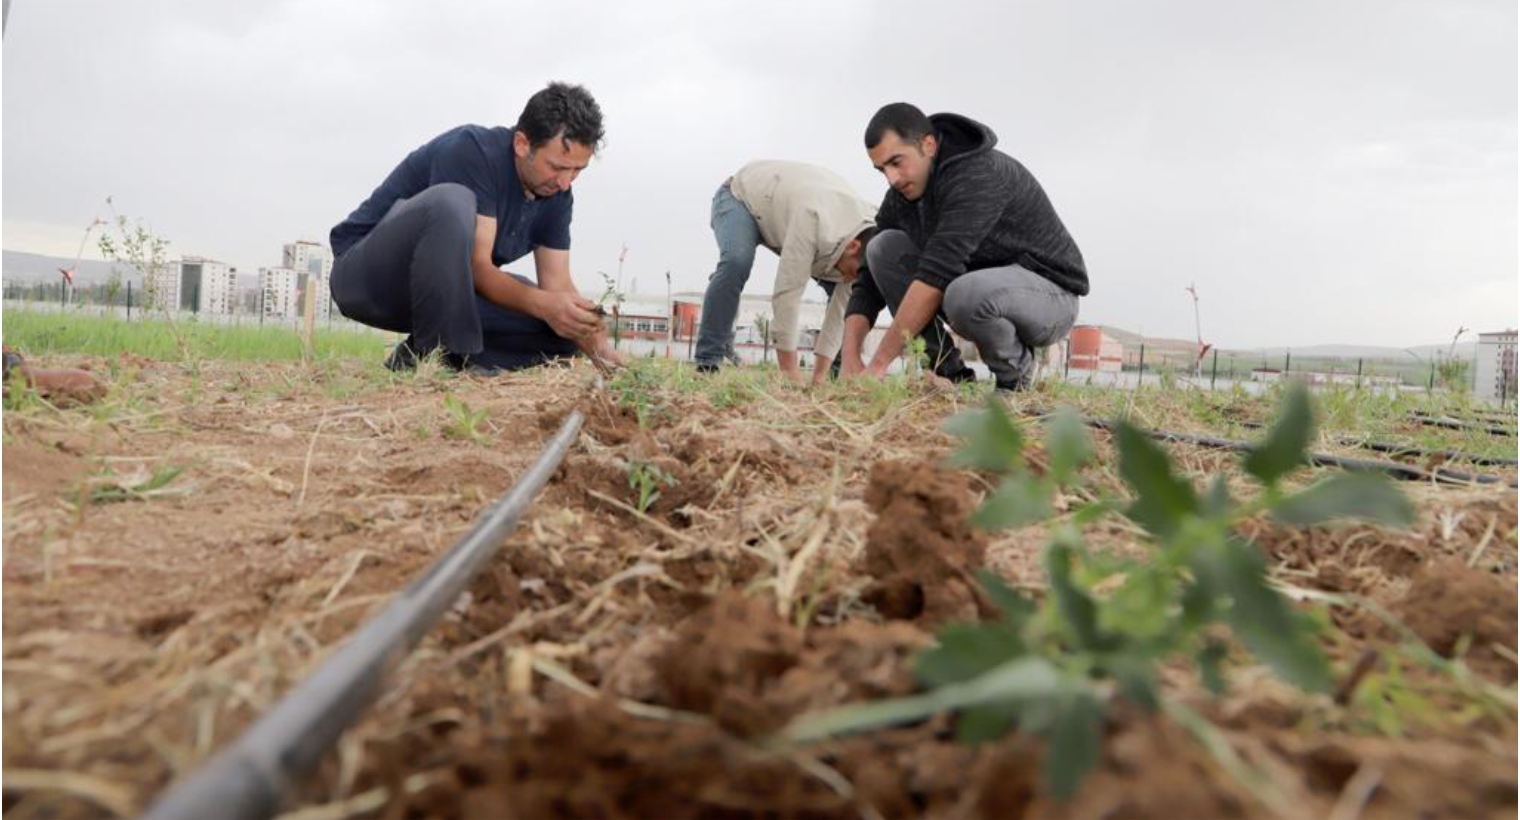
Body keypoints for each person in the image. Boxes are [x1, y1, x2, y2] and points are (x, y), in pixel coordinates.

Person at [329, 82, 623, 374]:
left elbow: (557, 284)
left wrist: (599, 346)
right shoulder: (472, 151)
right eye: (557, 167)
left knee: (562, 330)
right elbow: (478, 267)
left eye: (577, 171)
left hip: (444, 296)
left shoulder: (557, 194)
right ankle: (442, 357)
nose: (565, 182)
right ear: (522, 144)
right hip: (369, 278)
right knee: (451, 202)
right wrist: (543, 304)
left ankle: (419, 355)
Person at [841, 103, 1089, 391]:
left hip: (1050, 296)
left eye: (897, 162)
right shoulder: (901, 194)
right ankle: (948, 373)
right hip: (978, 289)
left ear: (928, 145)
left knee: (964, 293)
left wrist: (877, 366)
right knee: (881, 249)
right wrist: (850, 356)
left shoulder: (978, 175)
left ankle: (1014, 381)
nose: (891, 178)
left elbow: (937, 273)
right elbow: (869, 278)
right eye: (882, 169)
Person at [694, 161, 876, 384]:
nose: (851, 278)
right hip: (742, 198)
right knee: (736, 262)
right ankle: (708, 362)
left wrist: (818, 377)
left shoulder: (870, 241)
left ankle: (833, 376)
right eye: (852, 271)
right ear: (853, 247)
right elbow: (787, 294)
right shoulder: (813, 219)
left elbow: (840, 310)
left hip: (786, 218)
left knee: (851, 296)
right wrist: (790, 373)